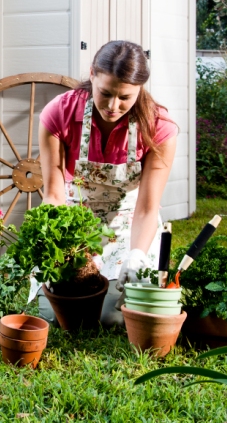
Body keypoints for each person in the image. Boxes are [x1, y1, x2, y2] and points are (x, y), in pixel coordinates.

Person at [38, 40, 178, 326]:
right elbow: (53, 194)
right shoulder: (59, 113)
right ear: (92, 74)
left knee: (112, 315)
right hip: (76, 223)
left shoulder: (159, 126)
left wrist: (137, 254)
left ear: (140, 89)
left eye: (125, 97)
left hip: (129, 226)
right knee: (55, 312)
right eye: (105, 93)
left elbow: (147, 207)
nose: (113, 106)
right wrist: (63, 247)